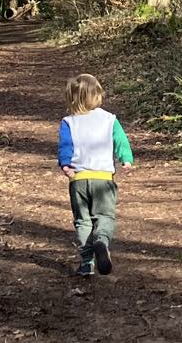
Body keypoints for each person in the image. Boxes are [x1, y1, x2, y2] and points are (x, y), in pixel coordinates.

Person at [57, 72, 133, 278]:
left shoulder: (69, 122)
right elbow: (121, 140)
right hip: (103, 178)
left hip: (79, 179)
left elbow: (65, 146)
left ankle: (86, 263)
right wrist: (126, 159)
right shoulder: (109, 119)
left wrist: (66, 165)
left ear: (73, 97)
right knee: (105, 216)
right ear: (97, 95)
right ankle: (102, 240)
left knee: (83, 221)